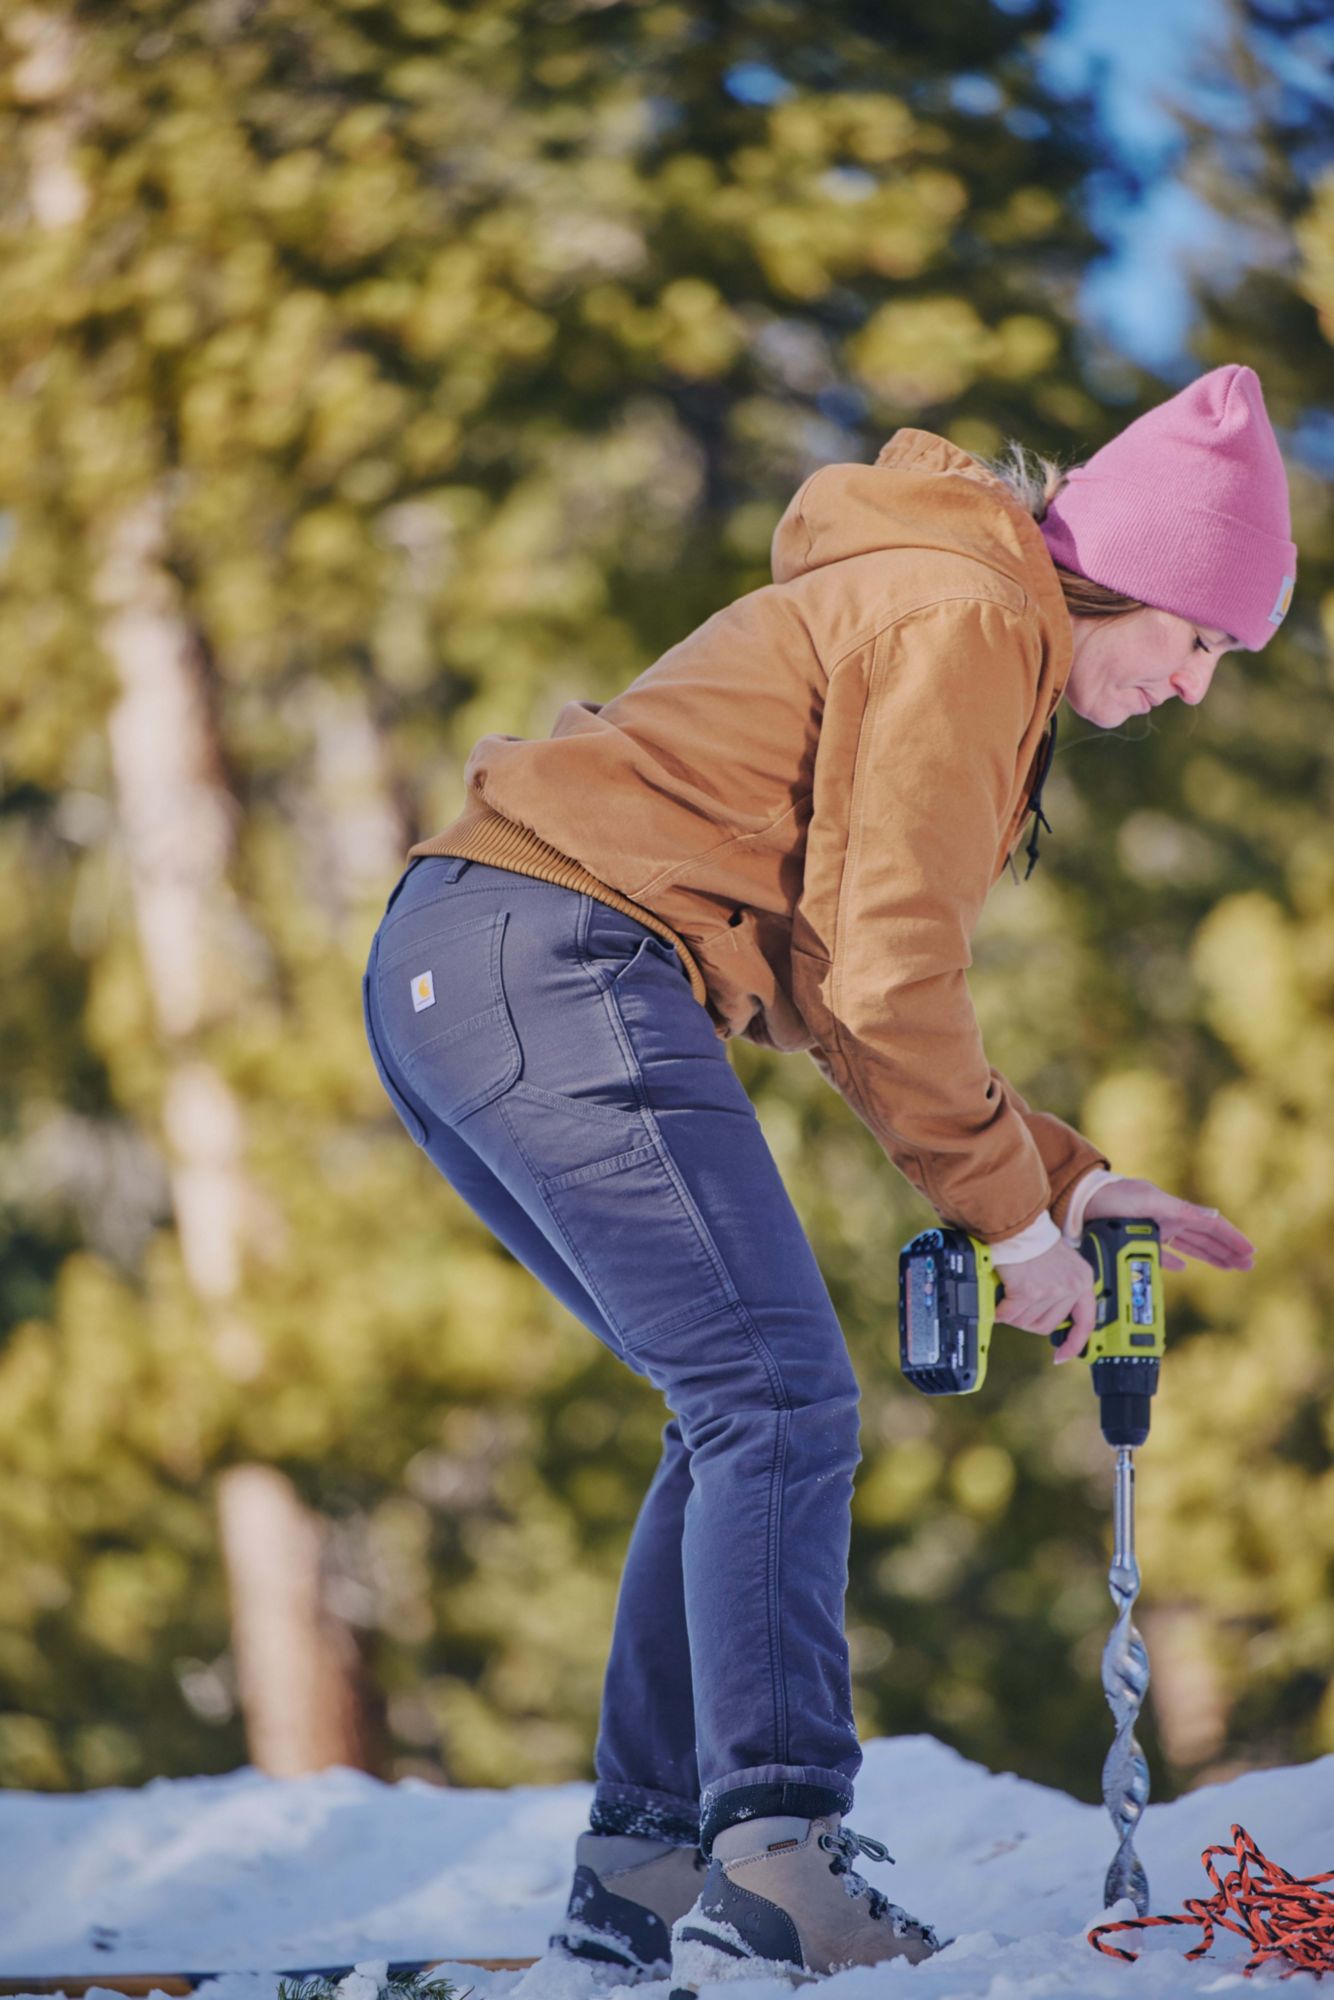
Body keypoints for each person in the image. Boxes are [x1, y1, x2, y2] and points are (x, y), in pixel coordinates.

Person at [360, 363, 1292, 1986]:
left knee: (730, 1399)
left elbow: (857, 990)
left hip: (471, 965)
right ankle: (782, 1855)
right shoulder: (970, 619)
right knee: (778, 1396)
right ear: (1127, 577)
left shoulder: (936, 595)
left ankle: (644, 1873)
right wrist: (1015, 1237)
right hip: (559, 954)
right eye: (1198, 640)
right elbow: (884, 979)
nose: (1195, 688)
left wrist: (1064, 1189)